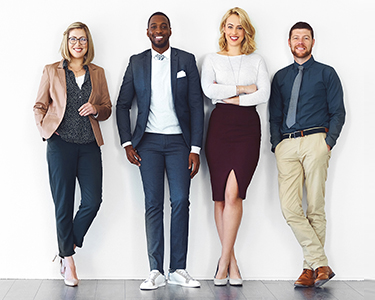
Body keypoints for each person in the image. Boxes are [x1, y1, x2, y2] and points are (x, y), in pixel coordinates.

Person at [116, 12, 204, 290]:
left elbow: (195, 105)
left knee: (180, 201)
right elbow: (122, 105)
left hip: (179, 143)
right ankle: (156, 270)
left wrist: (195, 148)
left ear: (170, 31)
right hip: (149, 144)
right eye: (154, 27)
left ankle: (178, 268)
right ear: (147, 32)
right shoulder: (137, 62)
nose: (159, 31)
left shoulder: (186, 60)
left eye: (163, 26)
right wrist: (127, 142)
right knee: (153, 204)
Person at [33, 22, 112, 287]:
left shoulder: (97, 73)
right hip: (60, 144)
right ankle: (68, 261)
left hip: (89, 144)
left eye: (83, 40)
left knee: (93, 201)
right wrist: (46, 132)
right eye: (73, 39)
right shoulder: (51, 71)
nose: (78, 44)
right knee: (63, 203)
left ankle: (67, 245)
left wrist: (96, 109)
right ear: (66, 43)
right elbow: (40, 105)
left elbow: (107, 107)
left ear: (89, 44)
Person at [269, 22, 345, 288]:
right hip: (287, 145)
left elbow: (338, 112)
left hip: (315, 140)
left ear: (313, 42)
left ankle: (307, 269)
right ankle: (320, 262)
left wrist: (328, 142)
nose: (300, 42)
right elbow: (274, 114)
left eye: (305, 38)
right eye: (296, 38)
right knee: (290, 208)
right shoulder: (279, 77)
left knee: (315, 206)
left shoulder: (327, 73)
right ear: (288, 42)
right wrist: (276, 144)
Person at [201, 7, 270, 286]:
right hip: (218, 128)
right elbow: (209, 90)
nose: (233, 32)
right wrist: (244, 89)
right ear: (223, 29)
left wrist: (231, 93)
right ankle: (232, 262)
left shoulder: (257, 60)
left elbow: (263, 93)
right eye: (229, 26)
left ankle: (222, 264)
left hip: (246, 129)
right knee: (220, 196)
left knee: (234, 194)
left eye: (239, 27)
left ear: (246, 31)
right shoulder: (211, 59)